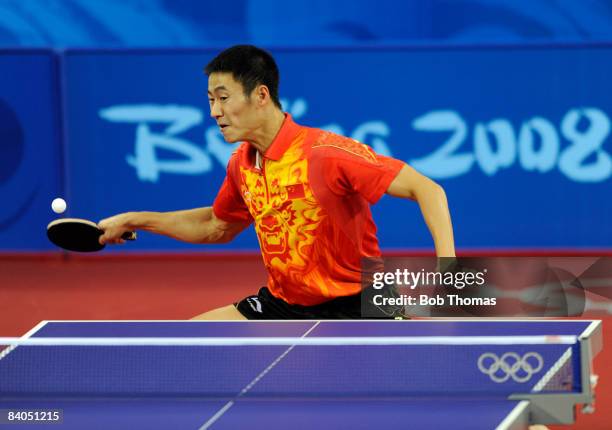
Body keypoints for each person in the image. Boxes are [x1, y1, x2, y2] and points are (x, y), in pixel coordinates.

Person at [98, 45, 456, 320]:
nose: (214, 112)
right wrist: (135, 220)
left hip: (360, 303)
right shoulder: (242, 163)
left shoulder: (325, 153)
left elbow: (427, 189)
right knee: (186, 346)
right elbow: (215, 226)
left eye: (223, 98)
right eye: (210, 100)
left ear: (261, 95)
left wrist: (449, 269)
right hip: (283, 305)